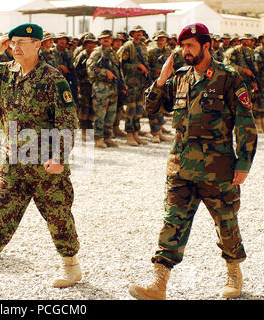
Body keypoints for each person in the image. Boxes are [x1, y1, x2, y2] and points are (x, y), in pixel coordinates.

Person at [129, 23, 257, 300]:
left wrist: (243, 164)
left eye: (190, 46)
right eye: (182, 46)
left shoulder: (229, 77)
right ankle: (159, 283)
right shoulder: (179, 78)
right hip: (180, 168)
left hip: (218, 169)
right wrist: (161, 79)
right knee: (172, 222)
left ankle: (233, 272)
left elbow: (246, 125)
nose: (184, 51)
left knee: (226, 224)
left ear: (206, 46)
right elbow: (151, 107)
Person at [0, 23, 82, 297]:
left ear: (38, 45)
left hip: (45, 166)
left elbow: (69, 123)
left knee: (59, 218)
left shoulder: (52, 79)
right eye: (13, 42)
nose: (17, 47)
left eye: (24, 42)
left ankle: (71, 265)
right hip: (12, 164)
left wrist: (59, 157)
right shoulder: (3, 73)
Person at [86, 30, 121, 148]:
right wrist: (104, 72)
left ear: (112, 40)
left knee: (111, 114)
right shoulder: (96, 53)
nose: (106, 39)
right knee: (100, 114)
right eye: (104, 38)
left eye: (108, 38)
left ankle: (107, 137)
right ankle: (98, 138)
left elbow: (118, 70)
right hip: (101, 88)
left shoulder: (113, 53)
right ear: (100, 40)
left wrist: (122, 84)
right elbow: (90, 70)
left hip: (113, 88)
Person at [117, 25, 149, 146]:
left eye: (140, 32)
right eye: (136, 32)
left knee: (139, 109)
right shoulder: (127, 47)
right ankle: (129, 135)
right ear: (132, 34)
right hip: (131, 83)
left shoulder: (143, 47)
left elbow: (146, 64)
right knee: (130, 110)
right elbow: (122, 65)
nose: (138, 34)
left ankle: (136, 133)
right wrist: (137, 66)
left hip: (141, 83)